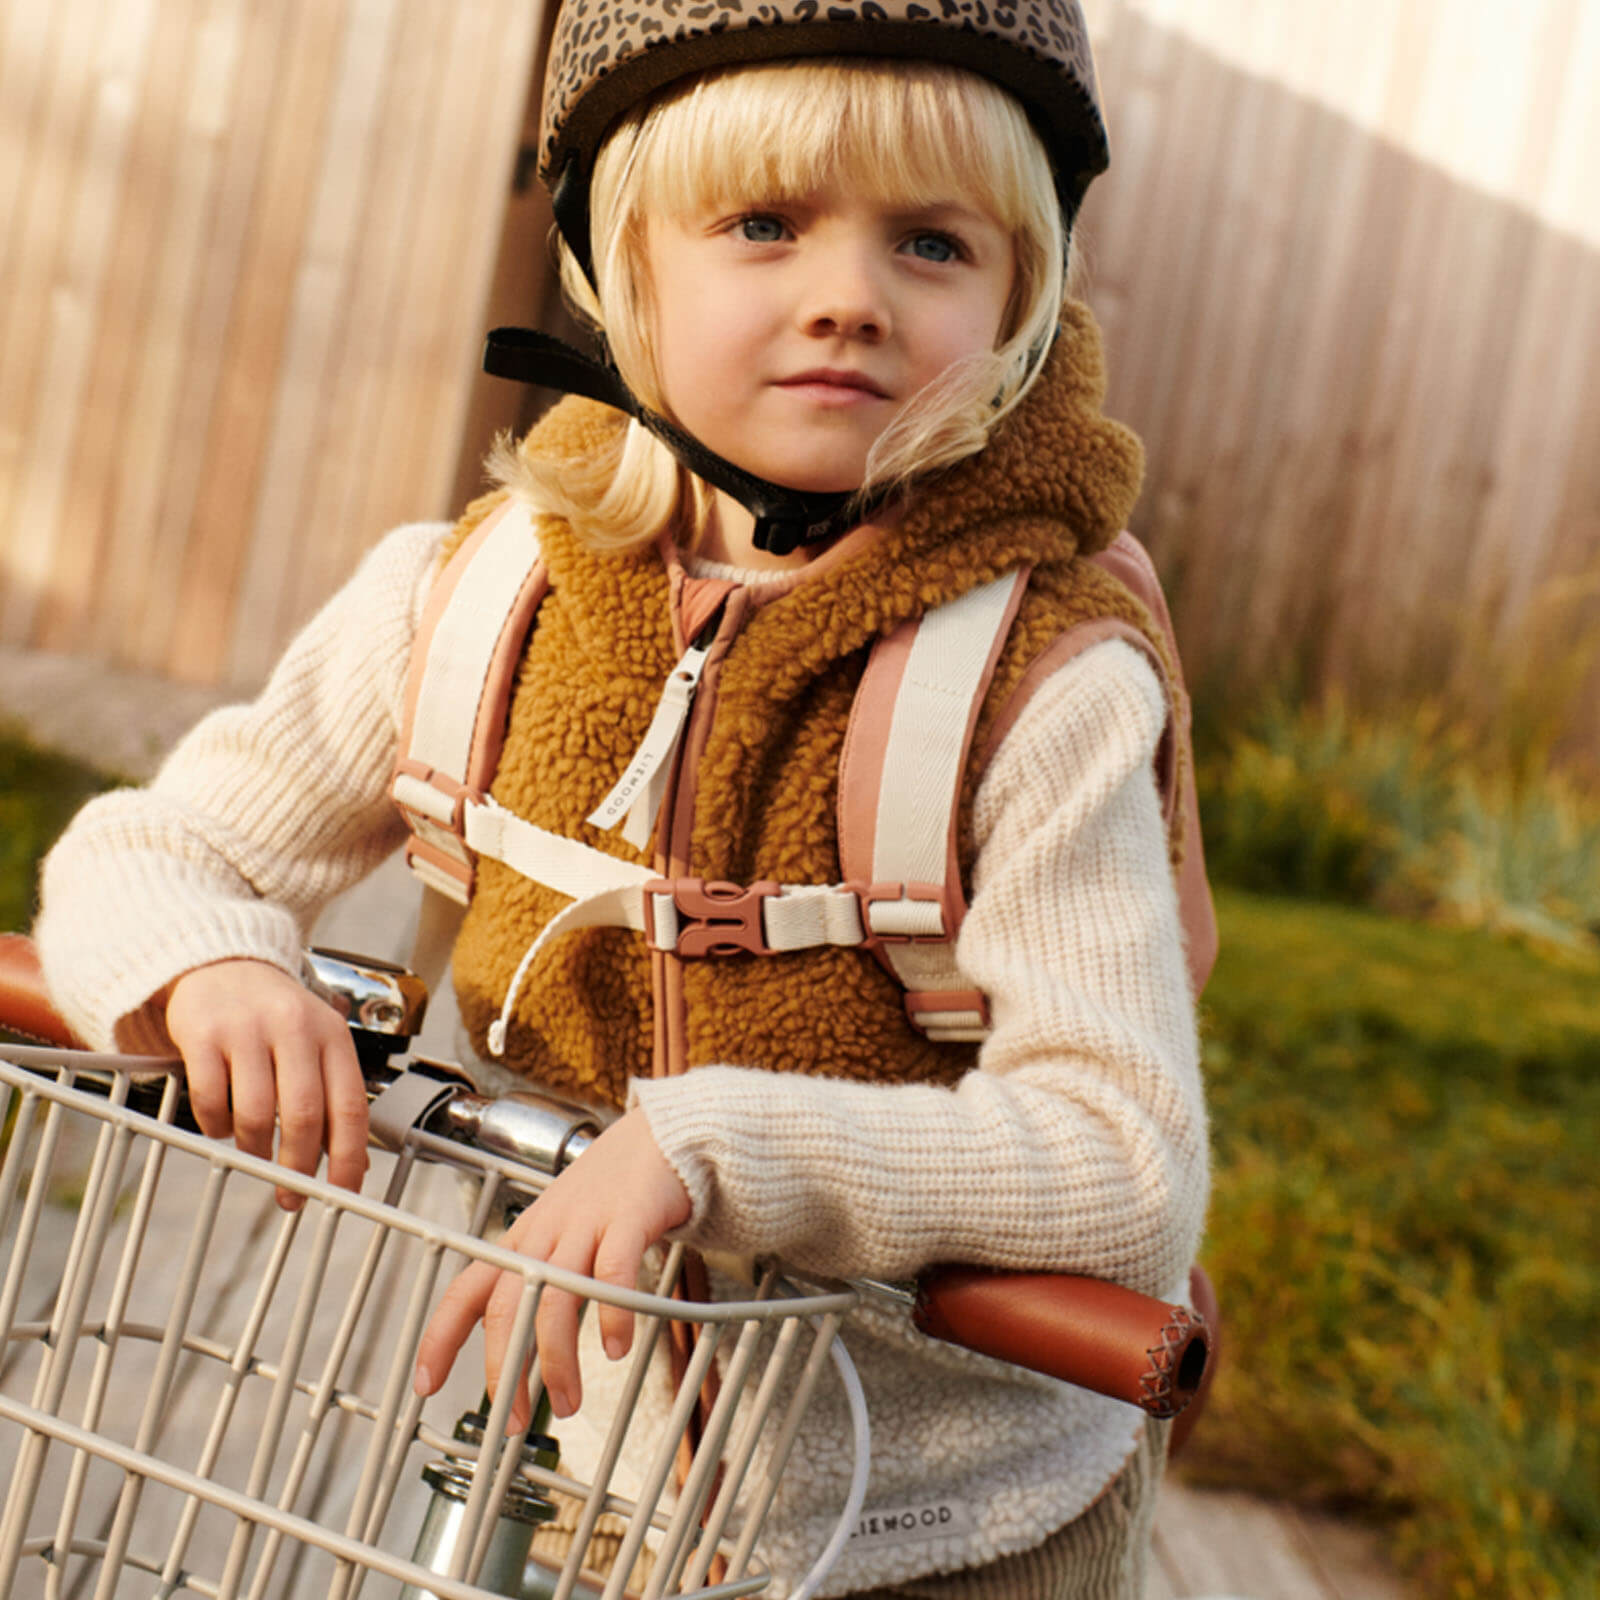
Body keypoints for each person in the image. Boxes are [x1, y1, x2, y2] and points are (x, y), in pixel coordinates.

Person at [36, 3, 1208, 1594]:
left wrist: (710, 1145)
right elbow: (155, 845)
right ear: (625, 256)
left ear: (1020, 300)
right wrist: (207, 961)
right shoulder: (474, 601)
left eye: (931, 244)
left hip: (943, 1510)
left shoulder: (1036, 687)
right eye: (765, 224)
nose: (848, 300)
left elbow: (1123, 1164)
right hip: (596, 1464)